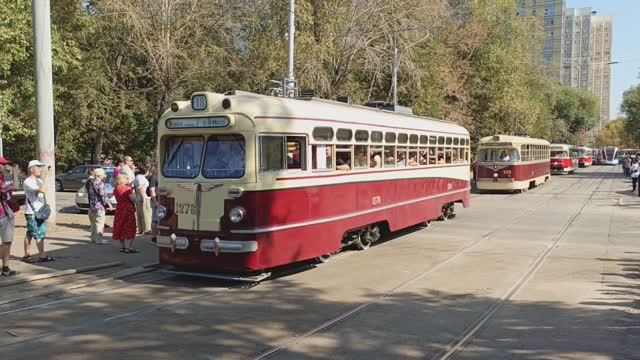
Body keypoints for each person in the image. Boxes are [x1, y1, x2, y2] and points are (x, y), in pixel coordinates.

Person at [22, 160, 54, 263]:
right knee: (34, 233)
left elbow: (43, 193)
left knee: (36, 233)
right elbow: (42, 190)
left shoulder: (39, 181)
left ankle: (35, 255)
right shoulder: (28, 182)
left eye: (41, 166)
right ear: (31, 169)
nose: (40, 169)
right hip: (31, 212)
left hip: (40, 212)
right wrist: (48, 176)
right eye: (38, 167)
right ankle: (33, 256)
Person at [0, 158, 19, 276]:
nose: (5, 166)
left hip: (5, 214)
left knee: (7, 242)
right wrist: (15, 173)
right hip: (3, 215)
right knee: (7, 241)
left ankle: (5, 268)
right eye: (2, 164)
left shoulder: (2, 179)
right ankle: (5, 268)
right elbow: (15, 186)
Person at [112, 174, 138, 253]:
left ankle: (122, 247)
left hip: (119, 208)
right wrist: (134, 194)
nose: (128, 179)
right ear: (123, 179)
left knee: (120, 226)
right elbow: (133, 199)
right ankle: (128, 247)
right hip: (127, 209)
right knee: (130, 226)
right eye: (127, 178)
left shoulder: (116, 189)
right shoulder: (127, 188)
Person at [88, 168, 114, 244]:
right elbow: (103, 195)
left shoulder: (91, 182)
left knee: (93, 223)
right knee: (99, 223)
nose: (105, 175)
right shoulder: (100, 183)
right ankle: (99, 239)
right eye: (104, 174)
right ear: (100, 175)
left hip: (92, 206)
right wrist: (109, 204)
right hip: (99, 206)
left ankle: (92, 239)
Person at [134, 165, 152, 235]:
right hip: (143, 197)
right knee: (146, 214)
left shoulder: (138, 177)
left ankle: (141, 229)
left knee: (140, 215)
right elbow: (141, 188)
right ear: (146, 171)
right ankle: (147, 230)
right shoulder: (141, 178)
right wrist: (144, 198)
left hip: (138, 197)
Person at [147, 165, 159, 243]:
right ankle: (154, 237)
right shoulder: (154, 178)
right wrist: (156, 203)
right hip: (156, 200)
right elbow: (152, 190)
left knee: (157, 219)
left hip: (157, 200)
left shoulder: (155, 177)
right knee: (155, 219)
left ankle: (156, 236)